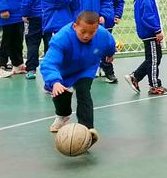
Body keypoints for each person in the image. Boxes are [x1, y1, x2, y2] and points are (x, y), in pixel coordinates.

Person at [41, 11, 117, 142]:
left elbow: (110, 43)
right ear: (75, 26)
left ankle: (87, 130)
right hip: (64, 71)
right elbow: (49, 63)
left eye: (91, 32)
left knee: (84, 91)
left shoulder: (103, 35)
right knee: (60, 93)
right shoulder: (62, 38)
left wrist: (110, 54)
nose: (87, 36)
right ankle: (62, 115)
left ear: (97, 28)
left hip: (86, 69)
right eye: (83, 31)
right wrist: (55, 82)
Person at [124, 0, 167, 96]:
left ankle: (135, 77)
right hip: (150, 33)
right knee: (154, 59)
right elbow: (148, 16)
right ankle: (154, 86)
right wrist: (157, 30)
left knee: (154, 58)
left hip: (148, 32)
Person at [21, 0, 52, 80]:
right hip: (50, 16)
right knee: (50, 42)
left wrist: (25, 13)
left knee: (33, 43)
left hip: (35, 16)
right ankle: (51, 67)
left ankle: (31, 69)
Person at [93, 0, 123, 84]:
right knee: (92, 46)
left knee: (106, 46)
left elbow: (119, 1)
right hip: (91, 23)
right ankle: (92, 68)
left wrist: (117, 15)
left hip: (108, 23)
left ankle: (108, 72)